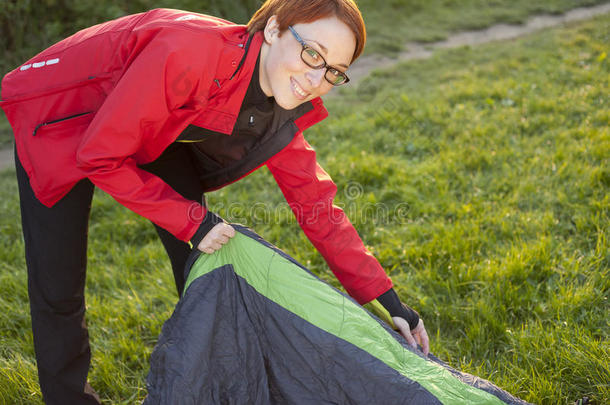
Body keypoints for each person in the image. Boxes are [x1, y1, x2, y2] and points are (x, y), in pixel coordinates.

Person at [0, 1, 429, 403]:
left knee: (203, 258)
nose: (316, 80)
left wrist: (391, 303)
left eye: (334, 71)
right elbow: (99, 155)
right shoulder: (189, 54)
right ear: (275, 28)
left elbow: (318, 207)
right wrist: (191, 221)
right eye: (313, 55)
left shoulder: (279, 103)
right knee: (58, 285)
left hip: (153, 120)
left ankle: (206, 375)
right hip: (59, 117)